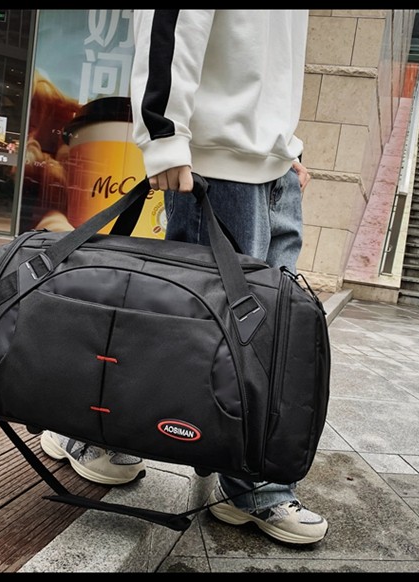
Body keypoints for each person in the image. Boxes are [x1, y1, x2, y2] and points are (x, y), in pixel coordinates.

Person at [41, 8, 327, 545]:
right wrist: (165, 132)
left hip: (272, 165)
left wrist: (283, 144)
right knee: (184, 332)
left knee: (261, 340)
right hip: (214, 164)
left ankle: (248, 481)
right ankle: (87, 430)